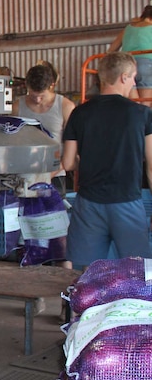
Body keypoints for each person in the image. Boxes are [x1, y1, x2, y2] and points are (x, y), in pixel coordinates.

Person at [62, 52, 152, 268]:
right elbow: (151, 165)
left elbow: (67, 163)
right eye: (133, 78)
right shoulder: (142, 114)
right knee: (138, 271)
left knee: (88, 272)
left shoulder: (80, 113)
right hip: (127, 202)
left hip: (89, 204)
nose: (134, 82)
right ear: (123, 77)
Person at [13, 63, 76, 196]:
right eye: (32, 94)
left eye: (42, 95)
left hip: (56, 173)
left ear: (52, 86)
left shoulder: (65, 107)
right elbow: (12, 142)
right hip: (25, 174)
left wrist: (47, 177)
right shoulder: (18, 107)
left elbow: (71, 148)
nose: (37, 99)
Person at [108, 5, 152, 101]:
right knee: (146, 103)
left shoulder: (128, 28)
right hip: (147, 66)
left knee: (133, 102)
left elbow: (111, 50)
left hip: (126, 65)